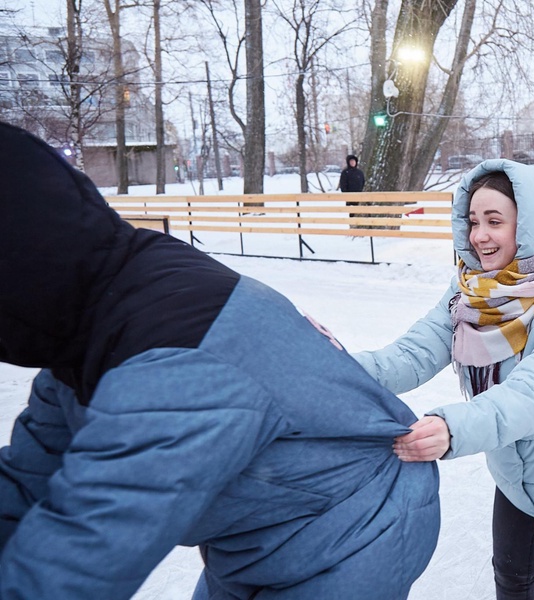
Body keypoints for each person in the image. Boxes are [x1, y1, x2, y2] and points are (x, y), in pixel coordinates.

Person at [0, 122, 440, 599]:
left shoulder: (174, 366)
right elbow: (28, 481)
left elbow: (81, 555)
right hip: (263, 538)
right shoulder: (84, 328)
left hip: (355, 533)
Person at [353, 159, 534, 600]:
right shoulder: (470, 290)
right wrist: (340, 370)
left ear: (528, 226)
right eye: (472, 222)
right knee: (511, 579)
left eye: (494, 221)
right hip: (516, 471)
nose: (479, 236)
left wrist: (453, 428)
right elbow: (416, 351)